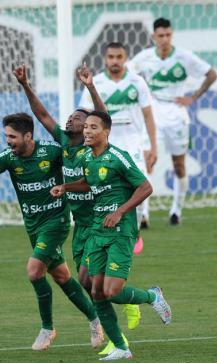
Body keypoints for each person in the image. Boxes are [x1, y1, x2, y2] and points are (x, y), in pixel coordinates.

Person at [13, 63, 140, 353]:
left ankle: (118, 334)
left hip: (100, 221)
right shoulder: (63, 142)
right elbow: (42, 114)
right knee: (85, 280)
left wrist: (91, 87)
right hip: (79, 223)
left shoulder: (92, 146)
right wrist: (25, 84)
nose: (71, 119)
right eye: (71, 117)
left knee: (98, 283)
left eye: (79, 118)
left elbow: (103, 117)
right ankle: (114, 319)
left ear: (90, 127)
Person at [51, 111, 172, 361]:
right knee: (95, 290)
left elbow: (145, 187)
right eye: (86, 128)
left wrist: (120, 211)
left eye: (93, 127)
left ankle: (152, 296)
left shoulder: (118, 157)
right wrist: (66, 187)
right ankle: (121, 347)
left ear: (106, 131)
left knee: (112, 291)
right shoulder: (86, 156)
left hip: (120, 231)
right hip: (97, 229)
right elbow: (89, 182)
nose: (86, 131)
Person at [0, 113, 103, 350]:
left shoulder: (53, 152)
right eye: (6, 136)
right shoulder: (9, 158)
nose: (8, 141)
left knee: (35, 272)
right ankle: (95, 319)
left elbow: (78, 164)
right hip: (33, 226)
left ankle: (47, 328)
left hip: (56, 222)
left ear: (28, 136)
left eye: (12, 137)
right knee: (62, 277)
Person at [128, 17, 217, 225]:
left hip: (177, 113)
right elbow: (127, 74)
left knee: (179, 165)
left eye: (168, 35)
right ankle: (144, 215)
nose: (165, 39)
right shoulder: (145, 57)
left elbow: (211, 74)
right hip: (153, 111)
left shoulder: (184, 57)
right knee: (147, 160)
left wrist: (194, 97)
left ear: (172, 35)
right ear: (153, 36)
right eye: (161, 35)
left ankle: (176, 211)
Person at [79, 42, 157, 248]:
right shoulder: (95, 83)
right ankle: (107, 229)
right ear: (105, 59)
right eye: (111, 57)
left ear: (125, 58)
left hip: (133, 143)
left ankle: (136, 230)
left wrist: (153, 146)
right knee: (105, 188)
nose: (115, 61)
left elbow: (148, 116)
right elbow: (84, 116)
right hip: (106, 145)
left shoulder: (137, 81)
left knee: (140, 184)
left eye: (119, 57)